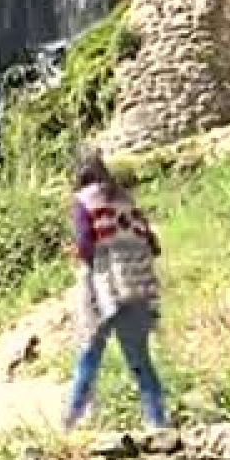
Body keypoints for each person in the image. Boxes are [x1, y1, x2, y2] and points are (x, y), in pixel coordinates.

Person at [64, 150, 170, 431]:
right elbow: (152, 243)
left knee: (90, 352)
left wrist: (83, 256)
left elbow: (87, 244)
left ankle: (72, 423)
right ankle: (158, 422)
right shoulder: (126, 200)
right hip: (138, 285)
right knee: (140, 361)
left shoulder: (83, 201)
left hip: (105, 287)